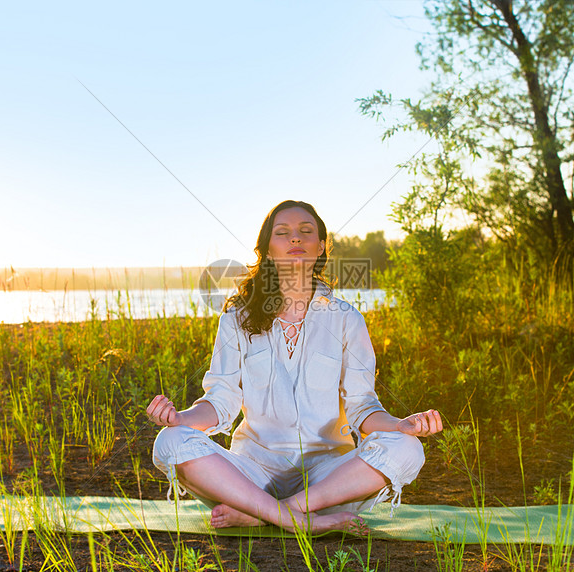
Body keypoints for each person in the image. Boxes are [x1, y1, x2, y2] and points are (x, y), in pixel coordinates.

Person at [146, 200, 442, 534]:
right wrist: (180, 419)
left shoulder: (346, 319)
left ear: (320, 247)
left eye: (306, 232)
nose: (296, 240)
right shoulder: (236, 320)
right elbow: (220, 399)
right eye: (283, 233)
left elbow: (362, 406)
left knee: (407, 448)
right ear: (268, 251)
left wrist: (400, 424)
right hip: (251, 474)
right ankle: (299, 520)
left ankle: (277, 514)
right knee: (169, 442)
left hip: (329, 478)